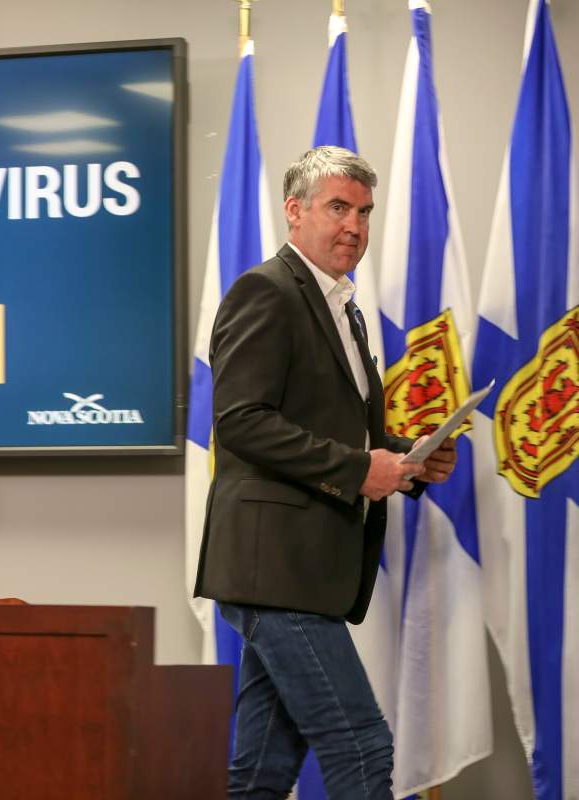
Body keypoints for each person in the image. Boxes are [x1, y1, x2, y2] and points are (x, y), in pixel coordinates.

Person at [193, 145, 459, 799]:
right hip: (273, 567)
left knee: (262, 772)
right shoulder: (267, 290)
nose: (355, 226)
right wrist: (356, 468)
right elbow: (241, 421)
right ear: (295, 211)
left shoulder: (344, 306)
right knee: (361, 747)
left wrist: (409, 459)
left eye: (364, 212)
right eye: (338, 207)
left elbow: (345, 434)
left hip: (302, 571)